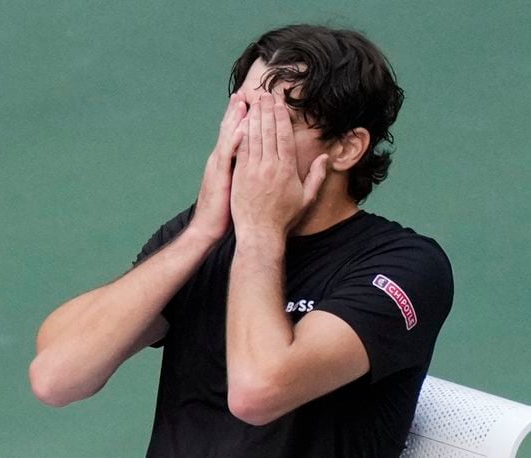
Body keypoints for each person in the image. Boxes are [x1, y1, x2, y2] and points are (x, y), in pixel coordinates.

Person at [29, 24, 454, 457]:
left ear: (347, 148)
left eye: (277, 123)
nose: (248, 138)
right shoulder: (204, 236)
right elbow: (57, 378)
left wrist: (260, 232)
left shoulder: (406, 265)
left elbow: (258, 391)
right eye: (246, 112)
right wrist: (200, 234)